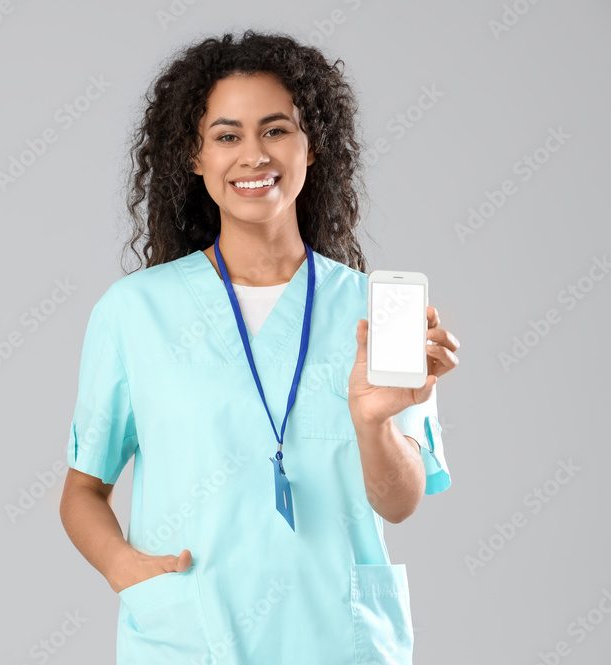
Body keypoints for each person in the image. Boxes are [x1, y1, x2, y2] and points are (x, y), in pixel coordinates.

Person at [59, 29, 459, 664]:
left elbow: (399, 503)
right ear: (194, 156)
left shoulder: (371, 312)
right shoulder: (135, 313)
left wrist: (373, 421)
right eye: (226, 135)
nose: (254, 155)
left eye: (276, 130)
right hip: (192, 636)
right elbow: (83, 489)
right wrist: (122, 568)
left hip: (337, 639)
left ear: (311, 146)